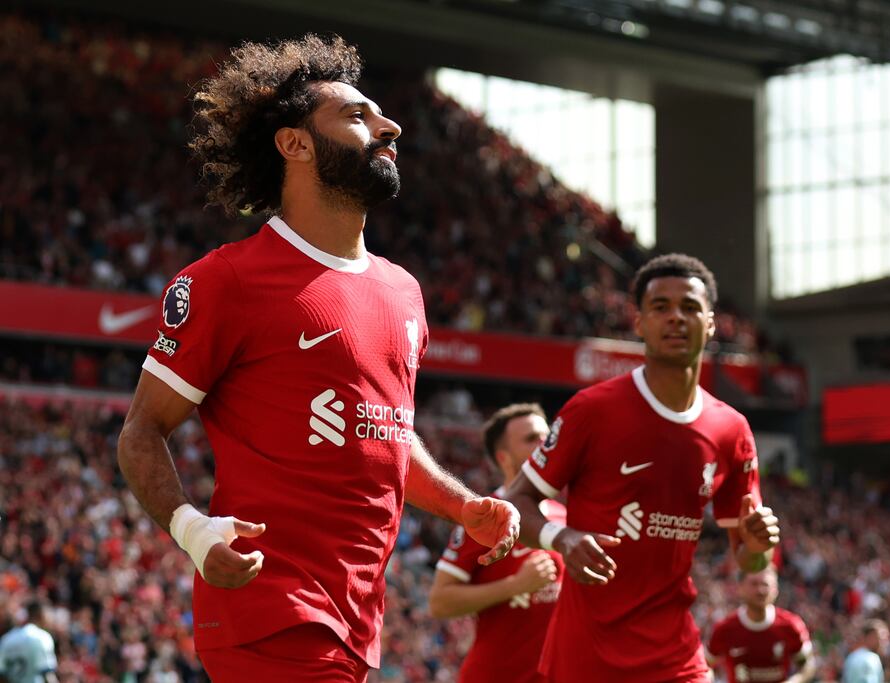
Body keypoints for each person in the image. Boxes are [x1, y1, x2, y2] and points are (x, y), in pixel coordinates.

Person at [116, 34, 518, 683]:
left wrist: (462, 503)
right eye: (357, 115)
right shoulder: (228, 282)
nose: (389, 126)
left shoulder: (403, 290)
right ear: (295, 144)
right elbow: (140, 430)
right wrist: (194, 531)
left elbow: (385, 435)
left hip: (360, 616)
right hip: (270, 609)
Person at [506, 253, 781, 683]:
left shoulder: (732, 430)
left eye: (690, 307)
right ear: (639, 324)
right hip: (587, 654)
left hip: (676, 656)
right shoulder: (592, 410)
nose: (675, 317)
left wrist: (759, 545)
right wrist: (562, 538)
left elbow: (748, 559)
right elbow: (515, 500)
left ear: (711, 323)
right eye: (660, 307)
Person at [428, 403, 565, 683]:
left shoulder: (566, 516)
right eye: (530, 439)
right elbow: (440, 602)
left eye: (546, 436)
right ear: (504, 458)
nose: (543, 444)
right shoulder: (486, 517)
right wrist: (515, 586)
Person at [706, 567, 815, 683]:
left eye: (765, 584)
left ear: (776, 590)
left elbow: (807, 665)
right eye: (754, 584)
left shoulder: (791, 626)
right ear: (740, 588)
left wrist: (794, 681)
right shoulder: (724, 629)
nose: (760, 590)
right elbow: (705, 665)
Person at [0, 601, 58, 683]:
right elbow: (47, 674)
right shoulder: (41, 637)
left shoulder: (6, 639)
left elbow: (2, 673)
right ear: (40, 614)